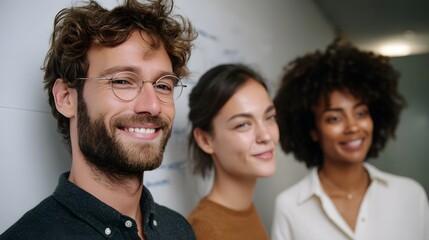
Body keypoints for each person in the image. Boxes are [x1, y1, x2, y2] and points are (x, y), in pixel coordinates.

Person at [0, 0, 197, 239]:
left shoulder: (180, 230)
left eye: (163, 85)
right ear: (66, 97)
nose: (153, 105)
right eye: (122, 81)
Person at [271, 38, 429, 240]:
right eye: (334, 118)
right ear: (313, 130)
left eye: (361, 113)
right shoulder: (290, 206)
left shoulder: (410, 195)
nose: (353, 126)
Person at [186, 63, 279, 240]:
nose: (266, 135)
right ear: (206, 140)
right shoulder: (207, 231)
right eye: (242, 124)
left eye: (270, 117)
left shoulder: (244, 210)